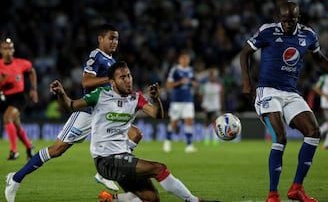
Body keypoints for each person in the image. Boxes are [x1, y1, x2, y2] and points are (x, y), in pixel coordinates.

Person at [5, 24, 143, 202]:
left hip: (104, 113)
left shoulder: (112, 62)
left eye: (116, 38)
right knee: (56, 150)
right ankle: (15, 179)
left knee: (136, 134)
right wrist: (110, 79)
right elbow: (86, 82)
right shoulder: (96, 56)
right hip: (86, 112)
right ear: (100, 39)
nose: (114, 41)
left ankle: (105, 174)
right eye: (111, 38)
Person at [239, 1, 328, 202]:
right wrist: (246, 83)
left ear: (298, 19)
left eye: (292, 21)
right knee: (280, 137)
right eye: (284, 20)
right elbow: (245, 54)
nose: (287, 24)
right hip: (268, 91)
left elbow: (320, 58)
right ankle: (273, 195)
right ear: (279, 18)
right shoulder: (267, 31)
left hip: (291, 92)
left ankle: (296, 188)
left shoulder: (308, 35)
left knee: (314, 132)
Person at [51, 61, 219, 202]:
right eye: (122, 77)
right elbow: (71, 106)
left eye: (129, 76)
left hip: (123, 157)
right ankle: (194, 201)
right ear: (112, 82)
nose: (128, 80)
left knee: (152, 198)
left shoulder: (135, 97)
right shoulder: (100, 95)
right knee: (159, 168)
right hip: (105, 159)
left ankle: (112, 199)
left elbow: (156, 114)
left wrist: (156, 100)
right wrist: (61, 93)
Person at [0, 38, 37, 160]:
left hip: (19, 97)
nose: (8, 51)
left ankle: (14, 150)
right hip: (4, 98)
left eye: (10, 48)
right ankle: (29, 145)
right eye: (5, 48)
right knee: (16, 125)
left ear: (14, 49)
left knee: (7, 118)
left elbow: (31, 71)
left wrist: (33, 89)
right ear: (1, 50)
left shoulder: (21, 63)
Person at [163, 50, 198, 153]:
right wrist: (180, 82)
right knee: (174, 122)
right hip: (176, 101)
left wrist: (192, 83)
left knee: (189, 121)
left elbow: (195, 83)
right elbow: (168, 85)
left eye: (187, 59)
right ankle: (167, 141)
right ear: (179, 60)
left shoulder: (191, 70)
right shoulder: (175, 70)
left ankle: (189, 145)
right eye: (183, 59)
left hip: (188, 100)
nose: (185, 61)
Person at [199, 68, 224, 145]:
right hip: (207, 107)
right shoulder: (204, 86)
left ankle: (215, 139)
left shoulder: (219, 86)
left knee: (215, 122)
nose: (212, 77)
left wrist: (222, 107)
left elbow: (222, 96)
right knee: (206, 123)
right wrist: (203, 104)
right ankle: (206, 139)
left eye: (213, 76)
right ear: (209, 77)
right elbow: (201, 96)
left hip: (216, 107)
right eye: (211, 76)